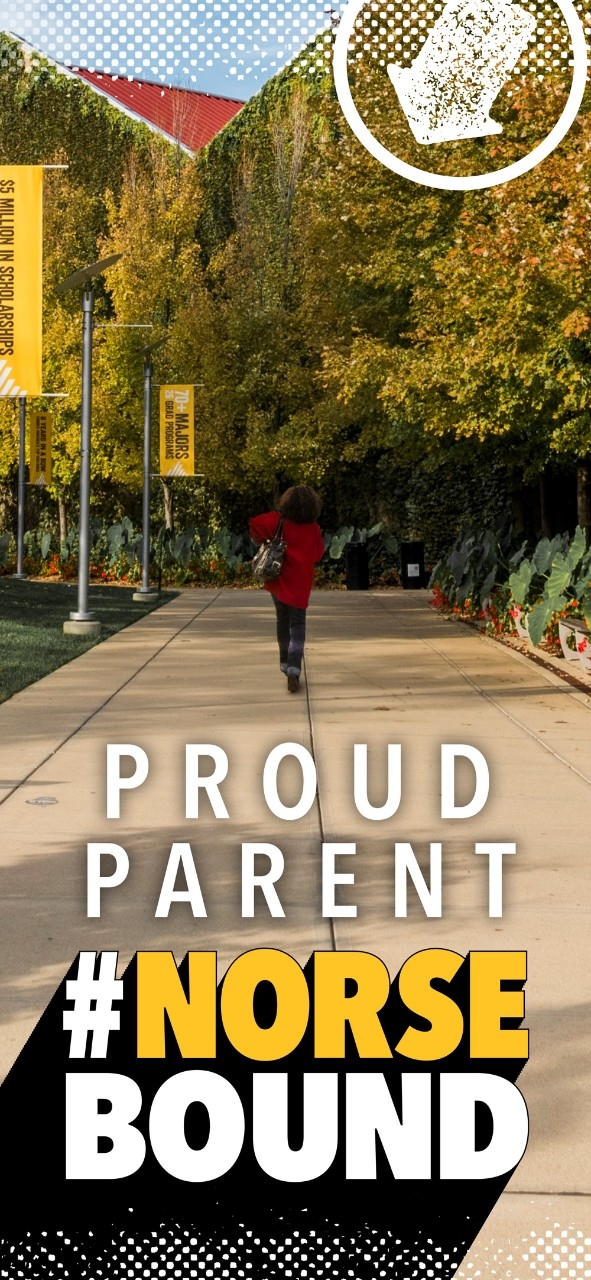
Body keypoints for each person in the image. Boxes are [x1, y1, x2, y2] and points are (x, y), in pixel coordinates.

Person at [250, 485, 325, 693]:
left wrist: (265, 540)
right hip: (300, 585)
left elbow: (255, 524)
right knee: (298, 624)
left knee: (282, 620)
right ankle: (294, 668)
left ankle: (284, 662)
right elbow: (318, 554)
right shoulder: (313, 529)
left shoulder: (278, 521)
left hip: (279, 580)